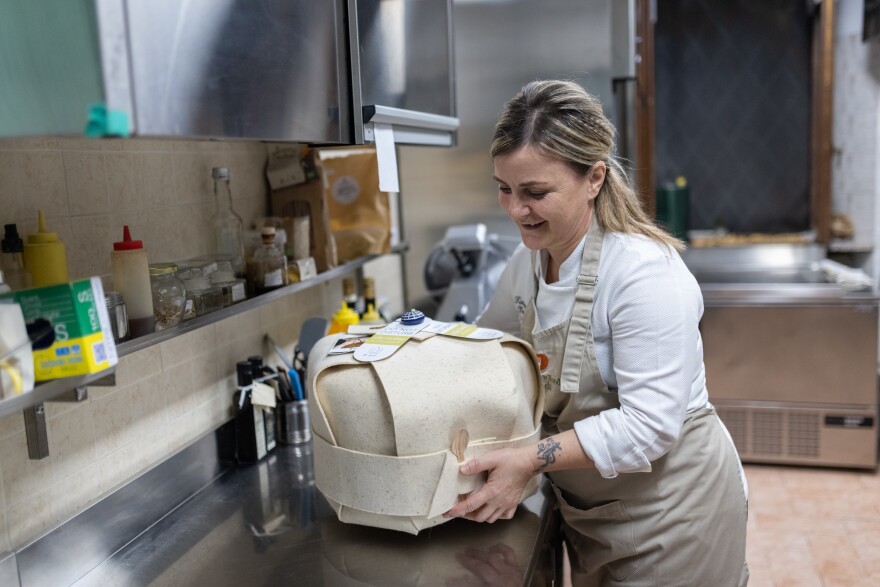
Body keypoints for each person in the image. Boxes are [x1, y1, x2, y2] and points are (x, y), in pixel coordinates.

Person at [443, 80, 749, 586]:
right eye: (504, 188)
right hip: (593, 511)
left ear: (594, 178)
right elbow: (490, 352)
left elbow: (649, 426)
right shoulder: (528, 265)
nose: (516, 210)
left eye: (536, 193)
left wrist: (530, 459)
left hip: (674, 514)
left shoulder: (642, 274)